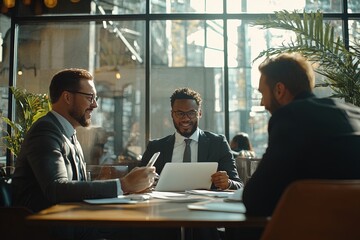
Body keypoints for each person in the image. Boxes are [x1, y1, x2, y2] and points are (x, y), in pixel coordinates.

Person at [11, 68, 157, 239]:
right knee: (136, 229)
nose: (95, 105)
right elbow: (56, 188)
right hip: (49, 228)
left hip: (71, 220)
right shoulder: (45, 131)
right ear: (67, 97)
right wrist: (123, 184)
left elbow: (77, 185)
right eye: (90, 98)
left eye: (96, 98)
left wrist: (129, 189)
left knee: (139, 225)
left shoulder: (68, 133)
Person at [242, 53, 360, 217]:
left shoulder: (289, 117)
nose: (262, 103)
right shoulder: (354, 113)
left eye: (262, 94)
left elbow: (255, 199)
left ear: (279, 90)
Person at [140, 87, 243, 190]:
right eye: (180, 113)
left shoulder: (218, 143)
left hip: (204, 205)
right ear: (172, 114)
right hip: (165, 204)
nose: (185, 118)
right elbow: (137, 182)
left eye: (191, 113)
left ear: (199, 113)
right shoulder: (156, 147)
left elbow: (239, 185)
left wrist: (228, 183)